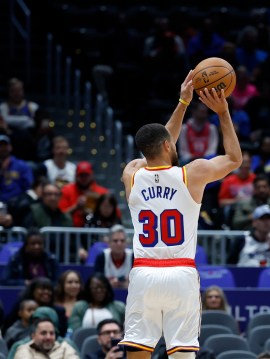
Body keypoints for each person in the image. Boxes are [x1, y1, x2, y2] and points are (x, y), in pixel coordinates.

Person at [118, 71, 242, 359]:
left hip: (144, 272)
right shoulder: (192, 174)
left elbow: (162, 141)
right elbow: (235, 159)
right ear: (167, 146)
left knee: (138, 351)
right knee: (182, 353)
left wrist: (182, 103)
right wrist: (223, 112)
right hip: (180, 272)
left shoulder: (131, 174)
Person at [58, 161, 111, 227]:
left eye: (86, 175)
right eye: (81, 175)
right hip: (71, 231)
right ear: (76, 176)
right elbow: (59, 216)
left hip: (96, 231)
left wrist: (95, 207)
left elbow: (113, 215)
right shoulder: (66, 191)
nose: (84, 178)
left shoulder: (103, 192)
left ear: (92, 175)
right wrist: (76, 207)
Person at [12, 318, 79, 359]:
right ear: (33, 336)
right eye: (43, 333)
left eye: (51, 333)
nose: (48, 337)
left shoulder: (65, 348)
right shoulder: (24, 349)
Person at [94, 224, 134, 289]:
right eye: (115, 241)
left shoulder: (133, 257)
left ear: (126, 243)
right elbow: (96, 281)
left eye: (122, 241)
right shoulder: (101, 257)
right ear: (108, 242)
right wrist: (107, 285)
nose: (119, 244)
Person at [0, 134, 33, 202]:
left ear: (10, 147)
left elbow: (28, 186)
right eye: (0, 146)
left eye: (5, 145)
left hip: (17, 204)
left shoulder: (21, 165)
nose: (3, 148)